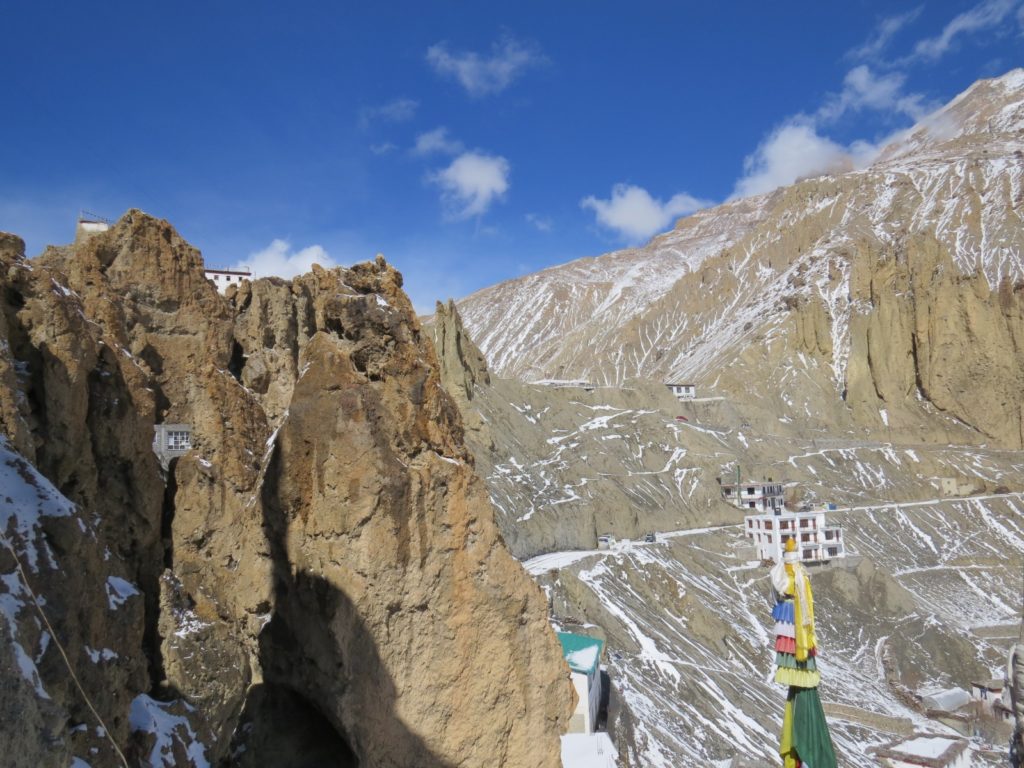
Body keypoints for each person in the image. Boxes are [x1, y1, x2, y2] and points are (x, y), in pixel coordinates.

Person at [770, 537, 837, 768]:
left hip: (790, 624)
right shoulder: (796, 575)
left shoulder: (782, 573)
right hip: (795, 625)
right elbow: (803, 604)